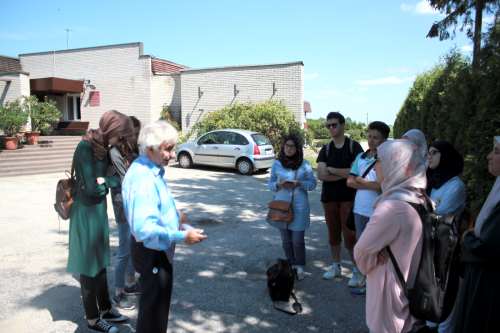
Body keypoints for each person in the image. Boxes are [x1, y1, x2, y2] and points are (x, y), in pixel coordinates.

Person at [122, 120, 207, 333]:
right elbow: (145, 228)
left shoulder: (151, 170)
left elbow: (158, 211)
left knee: (156, 310)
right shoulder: (143, 178)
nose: (172, 154)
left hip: (156, 250)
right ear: (150, 149)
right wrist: (181, 236)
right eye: (167, 149)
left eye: (172, 148)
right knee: (153, 314)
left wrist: (181, 222)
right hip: (152, 252)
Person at [68, 110, 134, 333]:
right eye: (121, 135)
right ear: (112, 131)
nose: (122, 140)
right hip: (85, 213)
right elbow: (92, 188)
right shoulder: (86, 147)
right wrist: (107, 181)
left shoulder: (102, 148)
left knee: (101, 263)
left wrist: (104, 180)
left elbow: (106, 181)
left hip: (97, 211)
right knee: (89, 267)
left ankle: (105, 309)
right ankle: (93, 318)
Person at [354, 139, 427, 333]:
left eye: (380, 160)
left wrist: (371, 260)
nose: (376, 165)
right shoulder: (420, 197)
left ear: (395, 166)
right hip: (412, 290)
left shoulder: (392, 208)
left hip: (391, 298)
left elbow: (361, 253)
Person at [453, 136, 500, 333]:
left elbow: (488, 247)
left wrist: (467, 238)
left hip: (489, 283)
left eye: (497, 151)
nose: (489, 156)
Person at [316, 112, 363, 280]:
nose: (331, 128)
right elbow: (321, 174)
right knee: (333, 234)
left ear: (343, 125)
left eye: (334, 125)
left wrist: (332, 170)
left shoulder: (354, 147)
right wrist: (345, 173)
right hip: (329, 198)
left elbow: (356, 173)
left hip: (349, 198)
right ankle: (336, 266)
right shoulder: (326, 148)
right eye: (328, 125)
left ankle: (357, 271)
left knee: (350, 235)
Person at [425, 140, 466, 333]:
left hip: (447, 249)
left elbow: (437, 215)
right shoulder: (432, 179)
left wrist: (425, 209)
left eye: (434, 153)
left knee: (446, 293)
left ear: (446, 157)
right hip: (431, 245)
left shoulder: (455, 186)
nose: (429, 156)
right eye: (428, 153)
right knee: (431, 291)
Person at [346, 121, 389, 289]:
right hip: (359, 209)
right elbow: (350, 182)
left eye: (376, 137)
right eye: (369, 136)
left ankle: (375, 280)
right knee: (361, 245)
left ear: (384, 140)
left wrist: (362, 181)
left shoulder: (386, 159)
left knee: (377, 246)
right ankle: (364, 276)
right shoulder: (361, 157)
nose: (371, 141)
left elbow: (383, 185)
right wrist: (370, 184)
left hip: (378, 209)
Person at [267, 134, 317, 280]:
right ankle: (290, 264)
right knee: (286, 241)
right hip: (281, 207)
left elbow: (313, 184)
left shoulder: (305, 164)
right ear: (283, 147)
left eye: (292, 146)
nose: (289, 149)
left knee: (297, 240)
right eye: (287, 146)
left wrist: (300, 183)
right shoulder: (277, 164)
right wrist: (278, 184)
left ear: (297, 148)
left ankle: (299, 266)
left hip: (299, 208)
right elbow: (270, 184)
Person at [109, 116, 142, 310]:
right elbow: (125, 180)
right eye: (134, 133)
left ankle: (130, 284)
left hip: (134, 204)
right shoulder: (114, 153)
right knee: (123, 251)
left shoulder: (130, 150)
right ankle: (118, 292)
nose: (136, 137)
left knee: (133, 245)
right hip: (123, 206)